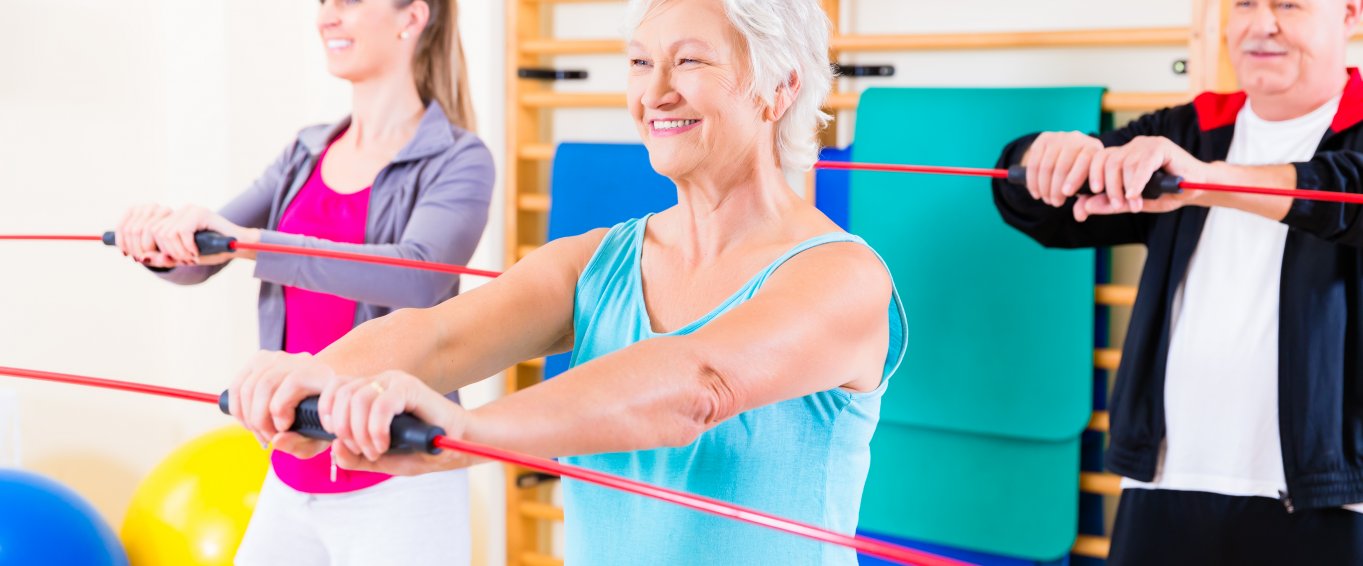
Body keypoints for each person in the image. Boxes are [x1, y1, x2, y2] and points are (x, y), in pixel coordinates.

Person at [227, 0, 905, 564]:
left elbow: (697, 386)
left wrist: (468, 430)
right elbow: (438, 337)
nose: (654, 91)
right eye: (640, 62)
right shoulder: (595, 261)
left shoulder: (839, 276)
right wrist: (316, 376)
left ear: (779, 86)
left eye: (690, 60)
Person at [113, 0, 492, 564]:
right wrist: (160, 243)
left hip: (399, 482)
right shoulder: (305, 150)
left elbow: (416, 278)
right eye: (322, 3)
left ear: (411, 17)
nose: (326, 17)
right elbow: (208, 253)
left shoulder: (459, 160)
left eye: (348, 2)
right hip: (292, 471)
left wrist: (251, 243)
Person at [993, 0, 1363, 563]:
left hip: (1328, 498)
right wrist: (1036, 160)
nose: (1262, 24)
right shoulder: (1190, 128)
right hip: (1166, 481)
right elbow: (1046, 212)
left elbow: (1343, 194)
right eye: (1245, 4)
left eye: (1289, 3)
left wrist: (1206, 180)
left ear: (1351, 15)